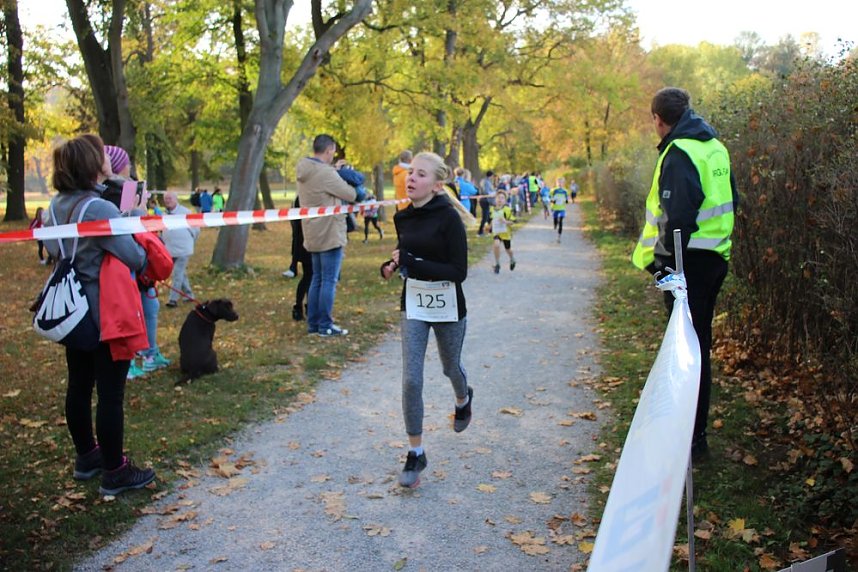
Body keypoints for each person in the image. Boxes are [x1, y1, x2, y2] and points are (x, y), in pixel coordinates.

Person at [45, 134, 156, 495]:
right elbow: (136, 257)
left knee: (78, 385)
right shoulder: (99, 209)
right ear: (91, 165)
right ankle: (115, 471)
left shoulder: (54, 205)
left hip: (72, 310)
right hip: (104, 311)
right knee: (111, 394)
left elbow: (50, 248)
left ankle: (87, 456)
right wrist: (133, 217)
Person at [632, 87, 738, 461]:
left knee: (686, 351)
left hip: (687, 264)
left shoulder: (679, 153)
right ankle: (695, 436)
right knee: (698, 346)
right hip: (714, 259)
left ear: (659, 120)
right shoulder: (715, 147)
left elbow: (678, 222)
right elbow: (731, 201)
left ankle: (691, 440)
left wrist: (664, 270)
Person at [380, 152, 472, 488]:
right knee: (411, 380)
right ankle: (415, 452)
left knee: (451, 368)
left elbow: (458, 272)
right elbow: (406, 251)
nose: (411, 178)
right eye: (410, 172)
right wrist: (392, 265)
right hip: (414, 305)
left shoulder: (449, 219)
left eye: (420, 174)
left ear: (437, 184)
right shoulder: (402, 217)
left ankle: (463, 399)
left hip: (448, 306)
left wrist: (412, 262)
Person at [103, 144, 171, 379]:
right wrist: (141, 207)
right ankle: (131, 360)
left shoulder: (122, 187)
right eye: (127, 163)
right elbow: (133, 222)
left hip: (135, 257)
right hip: (128, 257)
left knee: (150, 307)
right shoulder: (125, 188)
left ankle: (150, 354)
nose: (130, 168)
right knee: (133, 311)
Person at [296, 134, 359, 337]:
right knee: (329, 280)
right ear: (329, 150)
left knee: (317, 279)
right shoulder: (325, 172)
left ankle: (314, 324)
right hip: (330, 232)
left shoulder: (305, 169)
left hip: (312, 231)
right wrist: (344, 174)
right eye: (333, 151)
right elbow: (351, 195)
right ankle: (325, 324)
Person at [163, 191, 200, 308]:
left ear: (176, 199)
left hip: (183, 249)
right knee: (181, 274)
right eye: (166, 199)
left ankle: (172, 299)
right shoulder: (164, 214)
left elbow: (196, 229)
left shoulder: (185, 212)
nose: (168, 201)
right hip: (170, 249)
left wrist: (191, 241)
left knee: (177, 274)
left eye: (170, 198)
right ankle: (189, 295)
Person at [289, 196, 312, 321]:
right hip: (306, 242)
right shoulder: (305, 198)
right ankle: (303, 307)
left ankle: (301, 307)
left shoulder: (299, 198)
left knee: (309, 276)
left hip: (301, 241)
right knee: (310, 276)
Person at [490, 190, 516, 273]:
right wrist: (488, 227)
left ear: (505, 200)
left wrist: (505, 221)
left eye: (502, 198)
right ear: (495, 199)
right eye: (498, 197)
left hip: (506, 233)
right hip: (497, 232)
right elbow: (491, 221)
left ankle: (512, 259)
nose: (500, 199)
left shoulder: (507, 210)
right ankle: (497, 264)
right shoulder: (492, 209)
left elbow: (513, 222)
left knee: (508, 249)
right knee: (496, 245)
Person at [550, 178, 570, 243]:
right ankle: (555, 224)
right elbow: (549, 198)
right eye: (559, 183)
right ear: (556, 183)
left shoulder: (565, 191)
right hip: (555, 208)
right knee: (555, 220)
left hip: (562, 208)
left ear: (563, 184)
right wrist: (552, 200)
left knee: (560, 221)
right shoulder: (553, 190)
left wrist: (567, 201)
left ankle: (559, 236)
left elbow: (567, 199)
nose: (560, 184)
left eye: (561, 183)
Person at [477, 170, 495, 236]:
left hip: (486, 200)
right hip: (485, 200)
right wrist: (494, 193)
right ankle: (480, 232)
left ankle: (490, 230)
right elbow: (486, 192)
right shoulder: (486, 182)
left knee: (489, 216)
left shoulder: (485, 181)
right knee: (485, 217)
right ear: (491, 176)